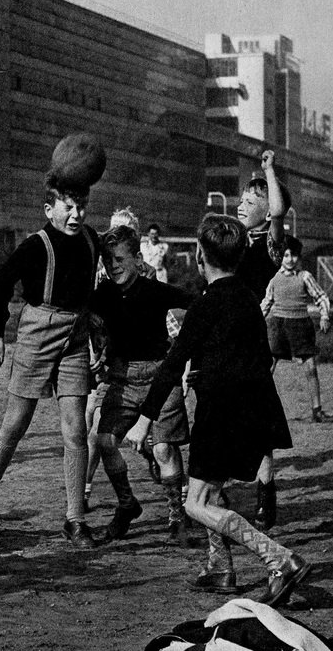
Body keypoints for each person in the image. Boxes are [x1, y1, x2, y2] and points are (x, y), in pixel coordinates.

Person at [128, 213, 311, 607]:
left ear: (199, 256)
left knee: (197, 504)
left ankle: (279, 559)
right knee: (209, 492)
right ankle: (219, 568)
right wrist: (211, 372)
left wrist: (144, 420)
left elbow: (172, 365)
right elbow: (258, 358)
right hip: (255, 410)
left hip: (222, 414)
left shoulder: (205, 305)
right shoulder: (248, 296)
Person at [0, 133, 105, 548]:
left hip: (75, 337)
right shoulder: (34, 246)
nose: (76, 214)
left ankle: (75, 518)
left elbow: (100, 293)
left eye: (82, 207)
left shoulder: (92, 241)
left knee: (76, 429)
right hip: (37, 331)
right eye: (68, 207)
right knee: (14, 425)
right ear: (49, 208)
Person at [91, 225, 193, 544]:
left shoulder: (156, 290)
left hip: (160, 375)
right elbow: (80, 315)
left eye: (120, 259)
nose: (114, 266)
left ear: (137, 258)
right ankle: (127, 504)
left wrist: (192, 352)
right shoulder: (103, 294)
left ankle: (176, 512)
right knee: (105, 440)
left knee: (163, 449)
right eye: (108, 261)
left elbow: (198, 304)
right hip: (121, 376)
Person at [235, 149, 291, 532]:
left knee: (258, 424)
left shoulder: (269, 246)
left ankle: (265, 495)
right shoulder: (231, 243)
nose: (242, 205)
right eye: (241, 198)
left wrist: (269, 171)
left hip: (251, 343)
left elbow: (278, 212)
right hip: (227, 337)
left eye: (251, 201)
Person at [261, 235, 331, 423]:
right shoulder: (275, 279)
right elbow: (266, 303)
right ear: (280, 258)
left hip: (301, 326)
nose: (290, 259)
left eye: (293, 255)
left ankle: (317, 410)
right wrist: (256, 321)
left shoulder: (305, 276)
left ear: (299, 257)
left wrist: (324, 315)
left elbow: (321, 297)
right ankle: (257, 408)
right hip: (278, 327)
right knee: (268, 367)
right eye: (285, 255)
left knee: (311, 368)